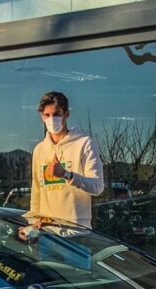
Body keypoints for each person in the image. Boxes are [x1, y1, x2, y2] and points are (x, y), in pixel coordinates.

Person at [25, 91, 104, 229]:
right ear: (41, 117)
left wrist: (66, 174)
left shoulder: (84, 144)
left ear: (66, 114)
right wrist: (32, 225)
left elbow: (97, 187)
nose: (51, 119)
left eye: (56, 114)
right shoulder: (39, 150)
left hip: (76, 232)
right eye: (47, 115)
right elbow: (36, 191)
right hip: (47, 233)